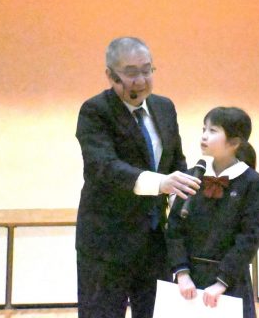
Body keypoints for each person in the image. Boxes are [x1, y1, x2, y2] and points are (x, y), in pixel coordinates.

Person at [75, 37, 201, 318]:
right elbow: (103, 167)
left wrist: (187, 192)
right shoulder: (95, 111)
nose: (142, 80)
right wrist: (160, 183)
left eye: (147, 70)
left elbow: (176, 162)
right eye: (131, 73)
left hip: (154, 242)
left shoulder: (165, 107)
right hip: (106, 245)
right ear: (111, 75)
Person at [166, 106, 259, 318]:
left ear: (234, 142)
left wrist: (222, 282)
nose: (204, 136)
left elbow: (249, 237)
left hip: (230, 281)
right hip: (188, 280)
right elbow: (174, 227)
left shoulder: (253, 183)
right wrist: (182, 273)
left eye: (213, 131)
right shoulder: (192, 175)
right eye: (204, 129)